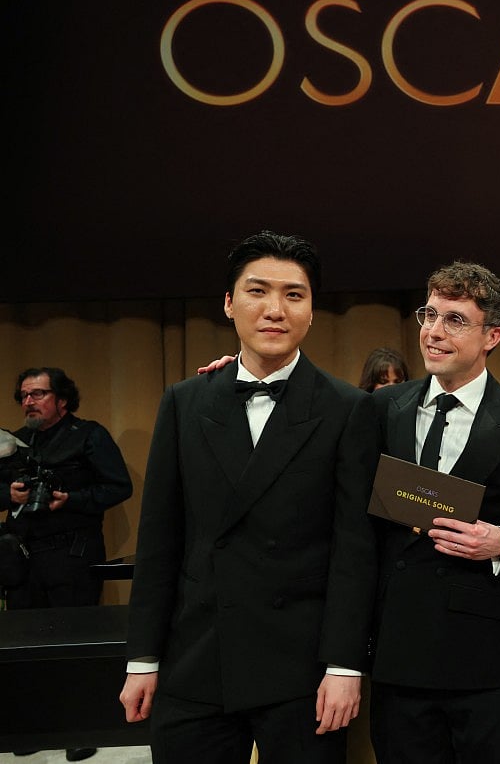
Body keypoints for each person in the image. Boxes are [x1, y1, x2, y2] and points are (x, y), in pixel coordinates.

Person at [119, 232, 378, 764]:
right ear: (229, 303)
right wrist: (142, 657)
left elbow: (355, 549)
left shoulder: (348, 408)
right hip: (196, 655)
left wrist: (344, 666)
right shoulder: (185, 401)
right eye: (257, 291)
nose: (274, 310)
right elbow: (159, 539)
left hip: (303, 669)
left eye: (294, 295)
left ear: (312, 310)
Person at [369, 261, 500, 764]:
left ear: (492, 335)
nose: (432, 332)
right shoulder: (380, 408)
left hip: (484, 658)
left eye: (454, 320)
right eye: (428, 315)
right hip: (397, 651)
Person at [2, 367, 133, 763]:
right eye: (24, 395)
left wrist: (70, 499)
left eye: (38, 394)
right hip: (23, 559)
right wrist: (8, 494)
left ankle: (81, 728)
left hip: (71, 555)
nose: (29, 402)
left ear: (61, 399)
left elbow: (118, 486)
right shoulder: (14, 443)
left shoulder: (88, 436)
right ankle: (34, 726)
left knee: (74, 644)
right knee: (23, 646)